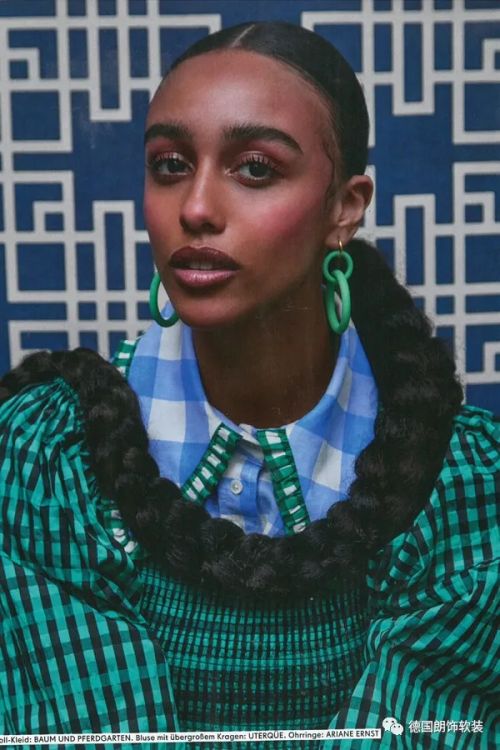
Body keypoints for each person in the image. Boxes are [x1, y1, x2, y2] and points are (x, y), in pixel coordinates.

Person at [0, 21, 497, 750]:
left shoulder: (466, 495)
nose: (196, 207)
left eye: (255, 168)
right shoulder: (42, 466)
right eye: (170, 165)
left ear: (346, 207)